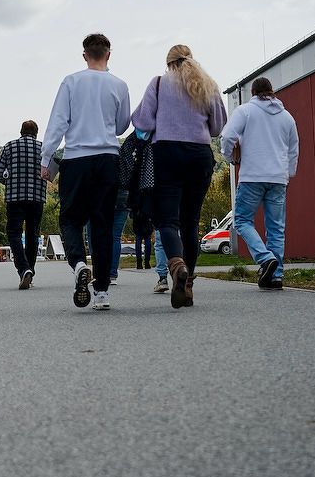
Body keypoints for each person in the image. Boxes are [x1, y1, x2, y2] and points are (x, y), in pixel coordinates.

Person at [131, 44, 227, 309]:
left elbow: (142, 122)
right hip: (199, 156)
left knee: (168, 221)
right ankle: (188, 286)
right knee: (191, 222)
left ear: (169, 63)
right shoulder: (208, 84)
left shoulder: (160, 84)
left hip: (167, 155)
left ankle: (177, 268)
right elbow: (218, 127)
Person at [40, 33, 131, 311]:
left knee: (70, 218)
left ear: (84, 55)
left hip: (77, 159)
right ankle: (102, 292)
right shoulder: (120, 84)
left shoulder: (70, 82)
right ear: (109, 55)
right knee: (102, 225)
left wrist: (46, 158)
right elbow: (121, 126)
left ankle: (79, 263)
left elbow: (58, 122)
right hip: (107, 159)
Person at [219, 77, 299, 290]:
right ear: (272, 92)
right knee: (276, 229)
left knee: (242, 220)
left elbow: (227, 136)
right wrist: (288, 174)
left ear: (253, 92)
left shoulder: (245, 111)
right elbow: (293, 150)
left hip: (252, 176)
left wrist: (229, 158)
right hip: (278, 178)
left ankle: (265, 259)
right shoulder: (287, 117)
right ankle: (276, 276)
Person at [0, 120, 49, 289]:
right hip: (37, 197)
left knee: (14, 234)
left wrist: (9, 183)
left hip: (14, 198)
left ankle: (23, 269)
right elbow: (51, 171)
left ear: (21, 132)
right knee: (33, 235)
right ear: (36, 133)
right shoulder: (44, 148)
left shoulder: (9, 146)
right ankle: (30, 271)